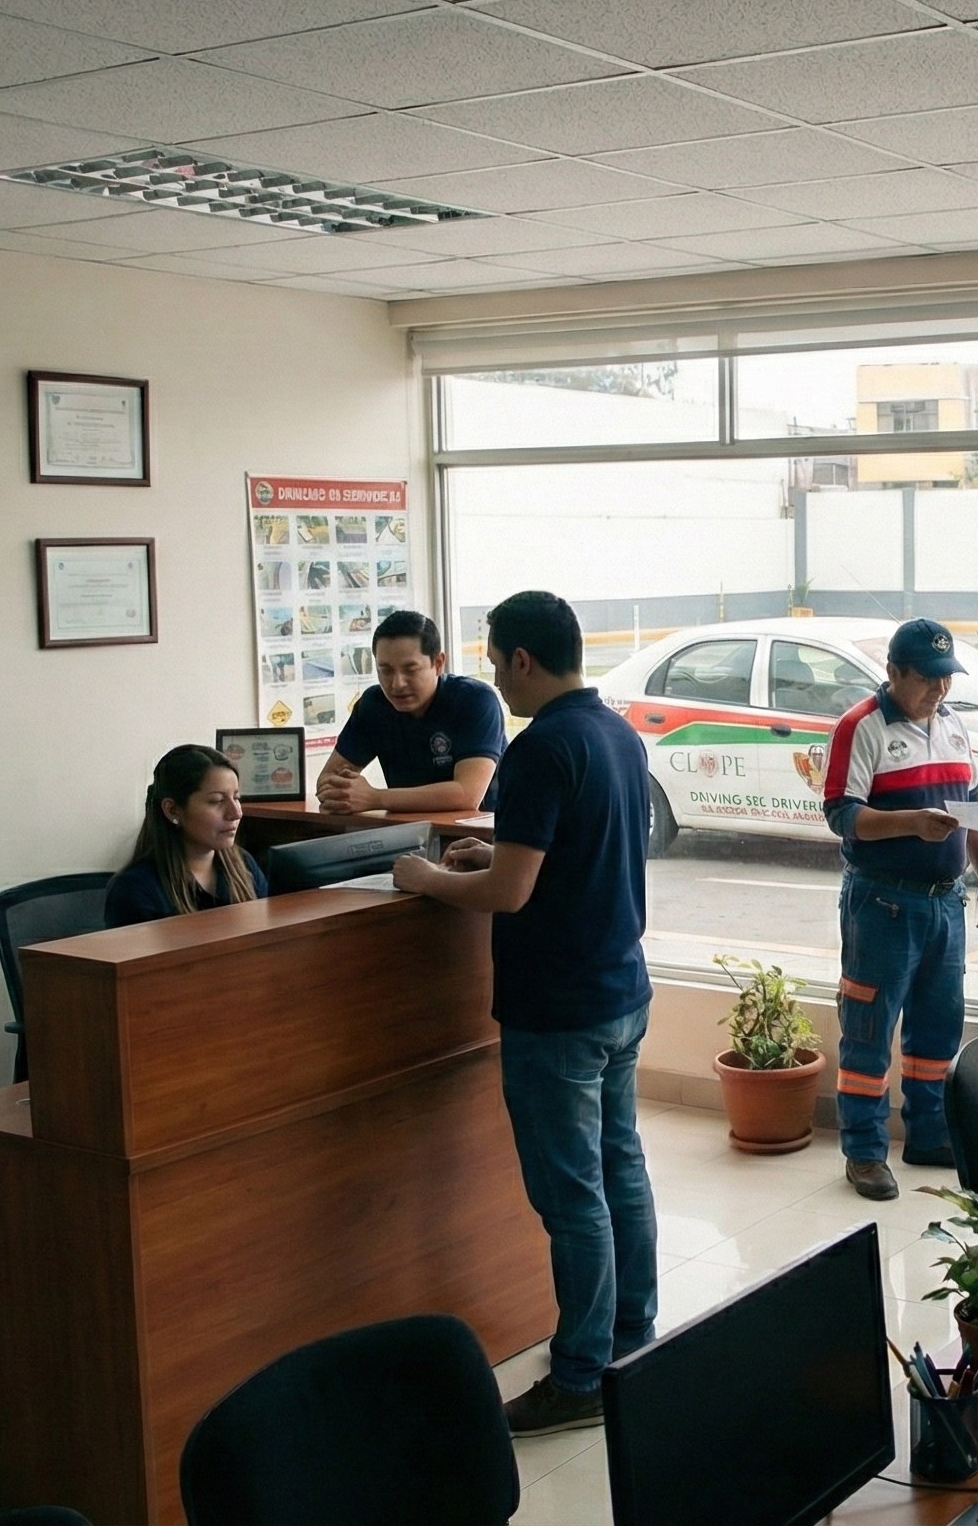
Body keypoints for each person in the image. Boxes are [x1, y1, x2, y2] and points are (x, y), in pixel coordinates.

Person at [393, 591, 656, 1439]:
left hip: (560, 1009)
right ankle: (631, 1337)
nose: (494, 676)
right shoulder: (614, 731)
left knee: (572, 1194)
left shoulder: (543, 745)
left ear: (522, 662)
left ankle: (580, 1375)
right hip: (621, 991)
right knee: (621, 1169)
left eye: (495, 657)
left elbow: (510, 893)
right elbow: (554, 856)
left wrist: (431, 878)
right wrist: (489, 849)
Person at [821, 618, 978, 1201]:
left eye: (947, 678)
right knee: (868, 1030)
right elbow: (841, 815)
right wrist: (912, 822)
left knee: (938, 1028)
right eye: (928, 678)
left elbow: (972, 810)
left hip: (945, 905)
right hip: (882, 903)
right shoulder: (861, 728)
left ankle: (928, 1134)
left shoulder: (954, 726)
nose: (940, 690)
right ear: (894, 672)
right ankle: (863, 1152)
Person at [317, 609, 506, 815]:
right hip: (410, 835)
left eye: (410, 670)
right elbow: (327, 781)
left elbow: (467, 795)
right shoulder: (373, 705)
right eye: (386, 670)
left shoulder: (474, 699)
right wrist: (343, 790)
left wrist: (375, 797)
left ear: (438, 663)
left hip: (485, 835)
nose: (397, 684)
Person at [104, 744, 267, 927]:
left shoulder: (243, 865)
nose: (236, 813)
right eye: (217, 801)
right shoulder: (135, 888)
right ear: (173, 810)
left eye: (236, 798)